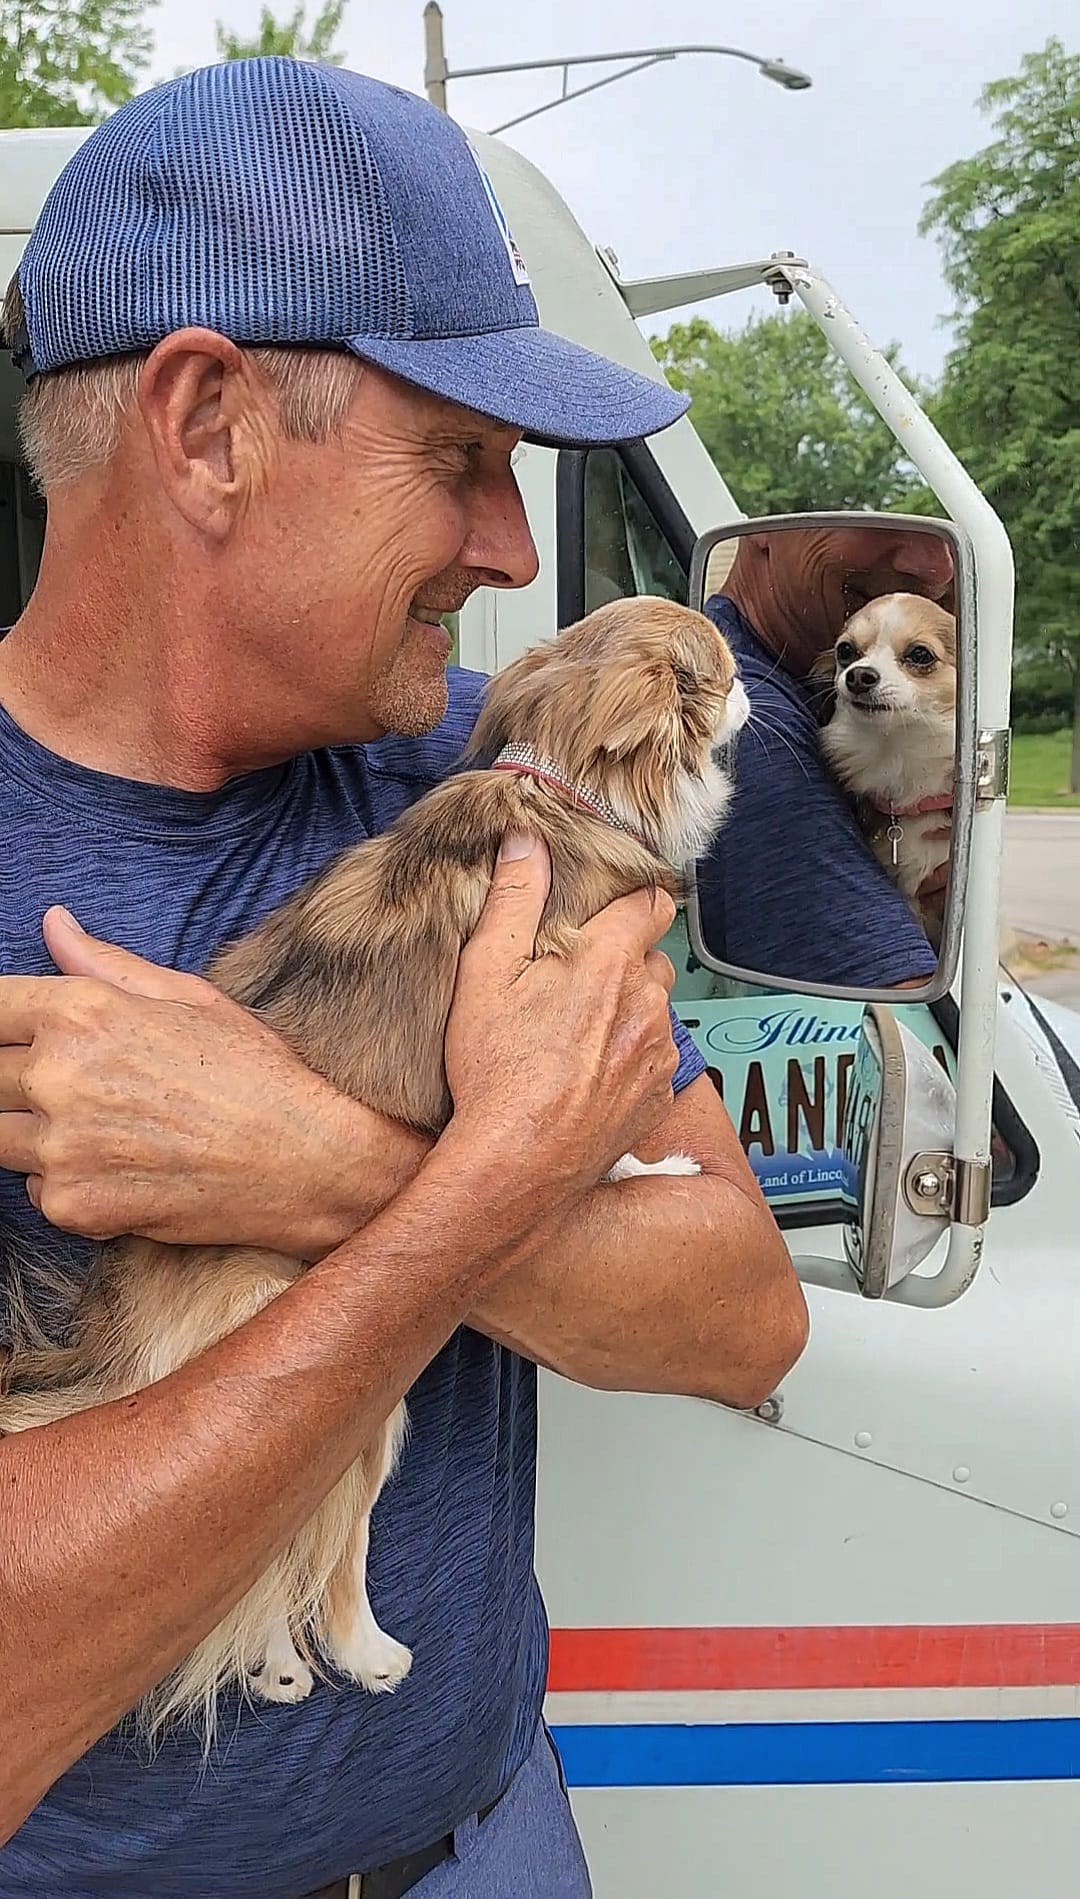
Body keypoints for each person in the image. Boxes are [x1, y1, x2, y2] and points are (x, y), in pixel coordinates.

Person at [0, 58, 808, 1899]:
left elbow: (738, 1307)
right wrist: (479, 1190)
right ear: (206, 427)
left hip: (482, 1839)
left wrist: (314, 1162)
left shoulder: (504, 777)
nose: (516, 551)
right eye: (460, 460)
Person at [696, 524, 956, 988]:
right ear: (763, 530)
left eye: (917, 655)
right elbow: (899, 993)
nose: (936, 566)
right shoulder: (747, 718)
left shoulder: (786, 678)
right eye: (848, 653)